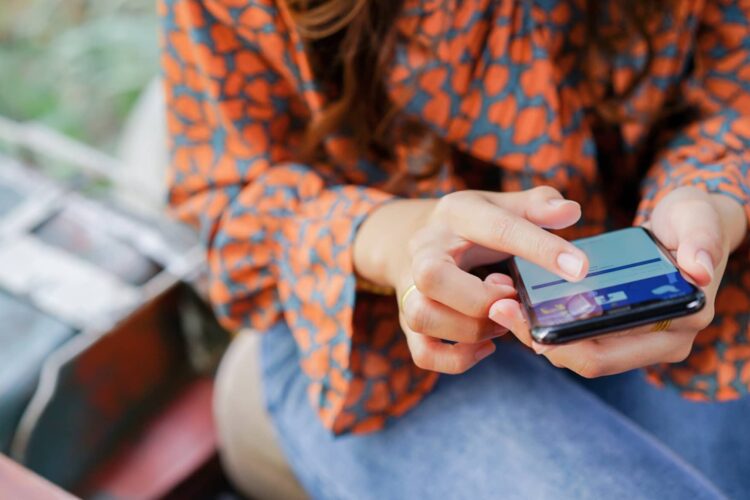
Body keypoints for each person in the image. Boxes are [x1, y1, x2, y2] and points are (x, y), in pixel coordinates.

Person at [160, 0, 750, 497]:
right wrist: (399, 239)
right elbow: (228, 202)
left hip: (649, 267)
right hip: (359, 333)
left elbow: (734, 87)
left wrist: (713, 196)